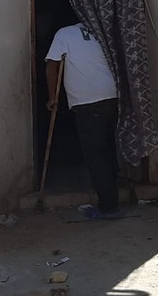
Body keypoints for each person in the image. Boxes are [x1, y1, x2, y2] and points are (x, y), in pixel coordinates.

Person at [46, 22, 121, 219]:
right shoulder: (101, 30)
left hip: (87, 100)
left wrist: (52, 97)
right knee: (107, 148)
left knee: (95, 155)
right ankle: (113, 194)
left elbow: (52, 65)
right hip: (111, 96)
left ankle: (109, 206)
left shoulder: (63, 33)